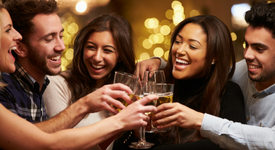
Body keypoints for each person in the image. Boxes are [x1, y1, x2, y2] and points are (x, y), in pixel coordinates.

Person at [0, 4, 158, 149]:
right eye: (49, 38)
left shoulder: (40, 83)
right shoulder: (9, 86)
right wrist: (93, 108)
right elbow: (46, 143)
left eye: (61, 36)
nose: (62, 47)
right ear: (20, 48)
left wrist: (158, 61)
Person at [149, 1, 275, 149]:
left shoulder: (229, 92)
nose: (247, 55)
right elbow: (212, 71)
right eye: (246, 45)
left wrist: (199, 120)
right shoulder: (243, 70)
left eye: (259, 49)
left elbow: (271, 141)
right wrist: (158, 63)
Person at [113, 15, 246, 150]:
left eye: (192, 46)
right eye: (177, 41)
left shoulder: (227, 93)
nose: (179, 50)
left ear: (214, 57)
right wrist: (137, 132)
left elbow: (232, 145)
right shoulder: (158, 86)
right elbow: (120, 146)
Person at [43, 13, 136, 128]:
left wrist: (157, 61)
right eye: (91, 47)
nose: (97, 58)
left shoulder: (125, 89)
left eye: (107, 50)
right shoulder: (57, 84)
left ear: (120, 56)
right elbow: (57, 140)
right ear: (82, 49)